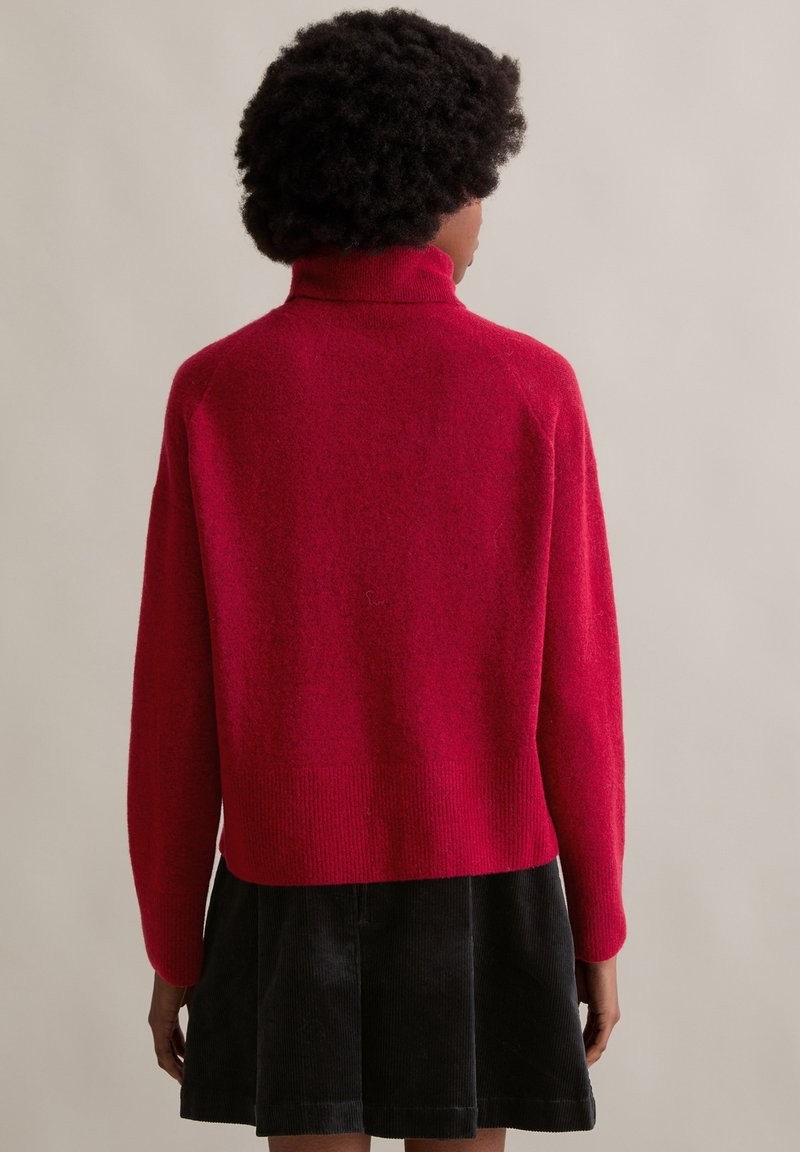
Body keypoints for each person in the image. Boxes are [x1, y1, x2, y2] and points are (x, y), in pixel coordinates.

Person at [127, 8, 626, 1148]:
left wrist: (174, 941)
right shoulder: (531, 389)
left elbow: (174, 705)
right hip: (486, 881)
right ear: (430, 185)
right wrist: (597, 922)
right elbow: (578, 693)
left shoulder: (217, 393)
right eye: (477, 180)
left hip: (285, 881)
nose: (484, 209)